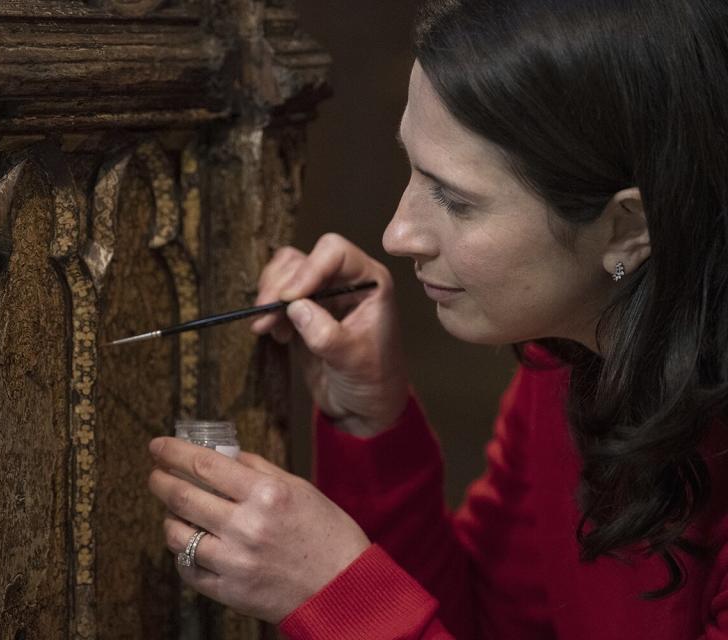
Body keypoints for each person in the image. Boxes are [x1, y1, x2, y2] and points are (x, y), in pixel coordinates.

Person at [147, 0, 728, 637]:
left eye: (454, 197)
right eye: (413, 170)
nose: (398, 234)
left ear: (627, 229)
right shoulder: (566, 365)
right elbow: (486, 624)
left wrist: (339, 594)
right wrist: (374, 423)